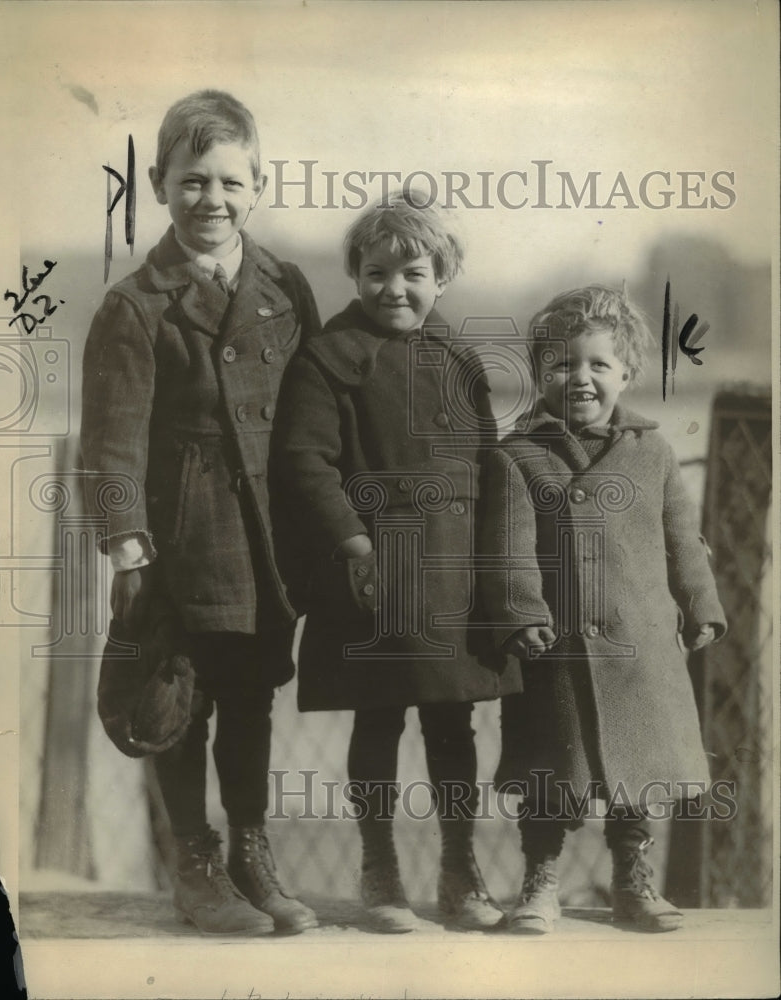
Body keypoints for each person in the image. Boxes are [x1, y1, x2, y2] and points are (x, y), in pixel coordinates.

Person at [81, 90, 321, 936]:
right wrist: (126, 550)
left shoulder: (284, 287)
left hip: (266, 537)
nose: (209, 200)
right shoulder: (135, 305)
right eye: (191, 181)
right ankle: (195, 861)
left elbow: (312, 412)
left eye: (228, 181)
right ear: (157, 183)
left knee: (250, 694)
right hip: (178, 539)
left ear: (258, 185)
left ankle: (252, 851)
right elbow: (109, 446)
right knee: (180, 699)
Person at [271, 193, 522, 933]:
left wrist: (495, 575)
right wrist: (354, 544)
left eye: (413, 272)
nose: (394, 288)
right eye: (375, 272)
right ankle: (379, 871)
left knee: (453, 723)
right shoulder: (328, 358)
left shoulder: (459, 357)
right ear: (354, 274)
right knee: (377, 719)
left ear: (441, 276)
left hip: (452, 573)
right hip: (370, 569)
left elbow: (485, 467)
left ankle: (458, 868)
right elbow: (302, 461)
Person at [480, 284, 726, 934]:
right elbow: (508, 549)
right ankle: (541, 878)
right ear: (539, 373)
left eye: (597, 364)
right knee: (550, 772)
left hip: (640, 645)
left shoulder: (653, 454)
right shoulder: (518, 455)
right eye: (562, 365)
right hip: (554, 648)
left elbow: (681, 540)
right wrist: (520, 613)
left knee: (637, 772)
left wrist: (700, 604)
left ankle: (631, 879)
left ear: (627, 372)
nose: (580, 378)